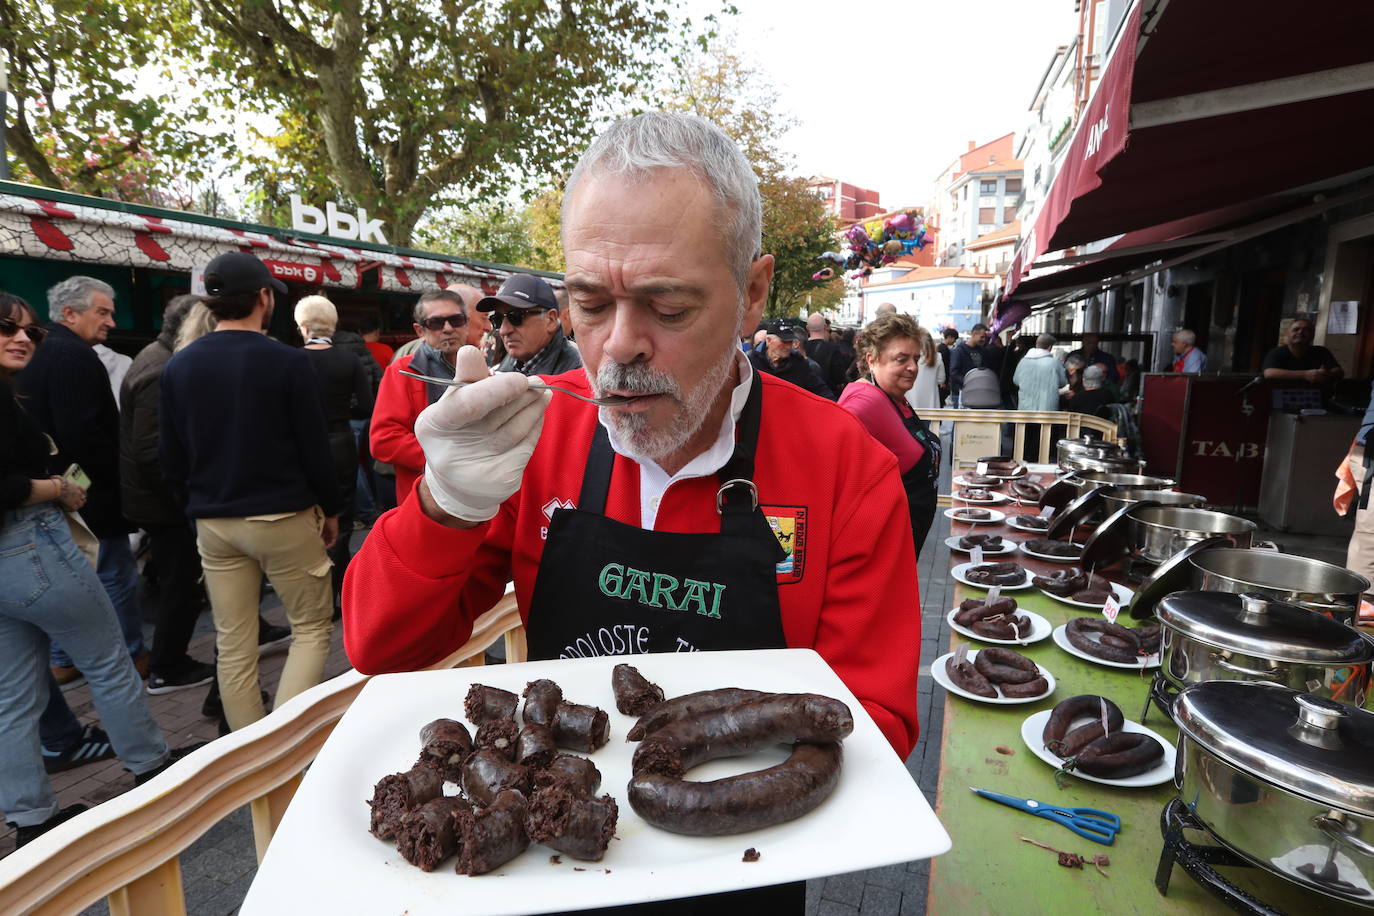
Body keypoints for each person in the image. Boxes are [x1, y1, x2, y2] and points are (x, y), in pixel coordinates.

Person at [343, 108, 920, 828]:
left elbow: (875, 723)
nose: (618, 346)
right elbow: (380, 645)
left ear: (754, 293)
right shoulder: (535, 434)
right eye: (588, 302)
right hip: (548, 841)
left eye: (668, 306)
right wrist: (445, 504)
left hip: (752, 853)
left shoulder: (846, 469)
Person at [0, 292, 175, 848]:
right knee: (109, 662)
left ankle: (30, 817)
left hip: (10, 563)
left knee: (13, 697)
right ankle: (152, 770)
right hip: (31, 546)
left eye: (32, 331)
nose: (23, 337)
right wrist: (57, 488)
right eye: (7, 327)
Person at [160, 252, 342, 731]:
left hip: (213, 521)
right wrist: (334, 509)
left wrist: (196, 510)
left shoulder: (179, 366)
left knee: (233, 641)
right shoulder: (286, 362)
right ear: (263, 298)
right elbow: (314, 449)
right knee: (309, 629)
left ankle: (250, 755)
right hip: (281, 515)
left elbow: (171, 458)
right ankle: (280, 746)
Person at [16, 276, 145, 683]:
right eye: (102, 312)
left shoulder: (42, 352)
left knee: (76, 577)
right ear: (69, 313)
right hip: (87, 497)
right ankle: (129, 656)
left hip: (60, 490)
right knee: (112, 575)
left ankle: (65, 659)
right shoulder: (71, 355)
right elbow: (84, 433)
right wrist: (104, 482)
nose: (111, 322)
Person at [120, 294, 216, 695]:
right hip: (165, 505)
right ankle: (167, 665)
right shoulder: (162, 369)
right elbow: (151, 450)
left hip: (158, 500)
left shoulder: (155, 358)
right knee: (182, 585)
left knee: (181, 582)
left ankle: (169, 660)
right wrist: (186, 499)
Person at [295, 295, 374, 610]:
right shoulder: (347, 360)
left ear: (303, 325)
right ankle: (333, 595)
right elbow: (368, 406)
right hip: (340, 441)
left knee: (304, 519)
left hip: (301, 445)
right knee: (340, 520)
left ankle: (311, 594)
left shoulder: (290, 359)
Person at [840, 313, 942, 558]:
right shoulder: (863, 402)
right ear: (872, 359)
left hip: (903, 543)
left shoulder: (894, 397)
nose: (913, 367)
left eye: (916, 359)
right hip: (881, 551)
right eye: (901, 359)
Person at [371, 288, 481, 501]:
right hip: (424, 498)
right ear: (420, 330)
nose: (448, 329)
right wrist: (450, 459)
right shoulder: (402, 371)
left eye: (455, 320)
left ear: (466, 323)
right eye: (436, 323)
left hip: (477, 496)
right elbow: (383, 440)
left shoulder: (481, 367)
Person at [482, 274, 583, 377]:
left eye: (516, 316)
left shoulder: (581, 375)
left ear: (550, 320)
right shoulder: (502, 370)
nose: (503, 331)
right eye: (497, 320)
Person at [748, 322, 834, 399]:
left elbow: (822, 391)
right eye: (784, 341)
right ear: (769, 340)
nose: (788, 346)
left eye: (790, 342)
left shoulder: (799, 364)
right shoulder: (751, 362)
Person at [1262, 316, 1344, 384]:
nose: (1300, 332)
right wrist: (1305, 374)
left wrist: (1327, 374)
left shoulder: (1321, 351)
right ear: (1288, 334)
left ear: (1313, 335)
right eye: (1296, 329)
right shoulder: (1276, 352)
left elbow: (1338, 370)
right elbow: (1269, 373)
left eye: (1306, 330)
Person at [1013, 333, 1067, 411]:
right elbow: (1063, 383)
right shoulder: (1055, 363)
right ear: (1050, 347)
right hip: (1048, 411)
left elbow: (1016, 381)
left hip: (1025, 410)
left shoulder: (1023, 362)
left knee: (1027, 423)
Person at [804, 313, 848, 395]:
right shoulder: (833, 349)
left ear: (807, 328)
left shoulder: (801, 348)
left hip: (805, 395)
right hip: (827, 396)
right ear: (825, 326)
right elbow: (839, 377)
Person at [905, 325, 946, 412]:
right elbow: (941, 380)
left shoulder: (909, 356)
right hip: (931, 404)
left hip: (911, 402)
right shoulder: (938, 357)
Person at [947, 323, 988, 406]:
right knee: (961, 418)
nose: (984, 340)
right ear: (974, 334)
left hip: (979, 392)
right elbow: (953, 372)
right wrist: (969, 382)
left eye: (985, 337)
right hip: (960, 392)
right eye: (982, 337)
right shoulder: (958, 351)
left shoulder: (983, 351)